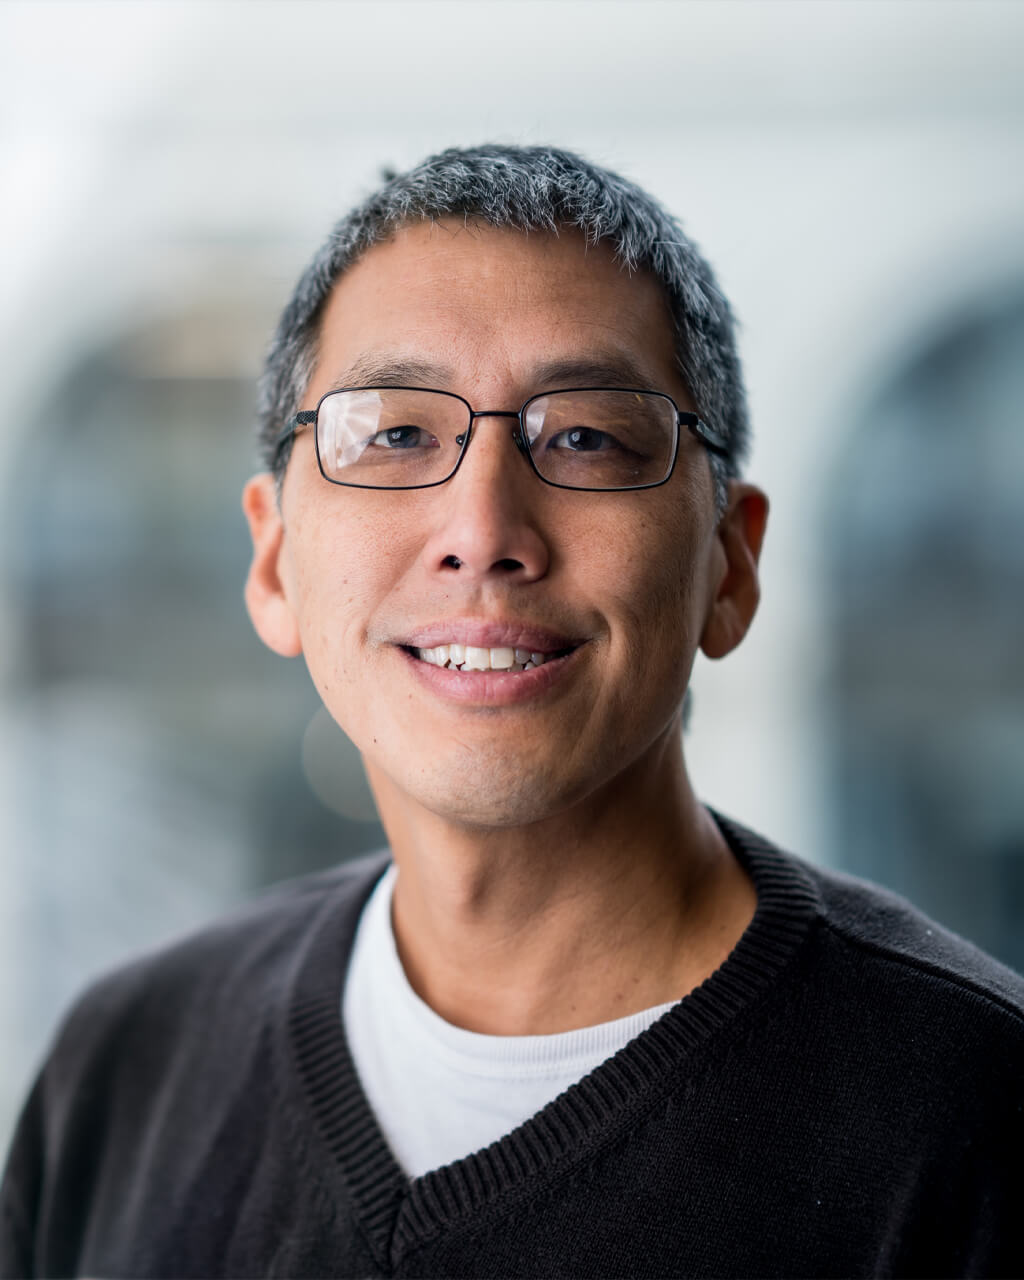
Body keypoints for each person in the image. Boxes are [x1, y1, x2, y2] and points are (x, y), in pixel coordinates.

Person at [1, 144, 1022, 1280]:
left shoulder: (970, 1115)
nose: (482, 530)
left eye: (584, 437)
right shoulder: (126, 1071)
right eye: (395, 436)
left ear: (729, 565)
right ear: (275, 559)